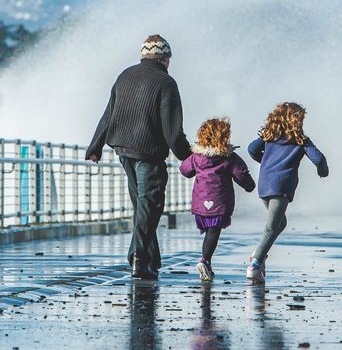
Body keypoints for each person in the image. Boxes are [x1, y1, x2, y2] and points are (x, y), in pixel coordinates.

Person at [86, 34, 192, 280]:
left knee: (142, 206)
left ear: (143, 56)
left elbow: (108, 114)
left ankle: (150, 260)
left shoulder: (124, 75)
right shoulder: (166, 83)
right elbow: (172, 130)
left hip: (123, 149)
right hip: (148, 152)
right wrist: (187, 156)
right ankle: (139, 257)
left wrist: (95, 145)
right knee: (150, 204)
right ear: (165, 59)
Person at [245, 102, 329, 284]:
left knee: (280, 223)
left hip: (265, 185)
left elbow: (251, 149)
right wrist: (323, 170)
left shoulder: (269, 136)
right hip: (281, 187)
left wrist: (266, 161)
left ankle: (257, 255)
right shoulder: (300, 140)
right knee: (271, 227)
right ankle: (255, 264)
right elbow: (318, 158)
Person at [179, 117, 256, 281]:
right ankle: (204, 261)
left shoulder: (196, 157)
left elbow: (185, 171)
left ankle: (207, 263)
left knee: (210, 233)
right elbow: (241, 174)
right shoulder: (229, 157)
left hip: (201, 203)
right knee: (213, 232)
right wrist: (250, 186)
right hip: (220, 202)